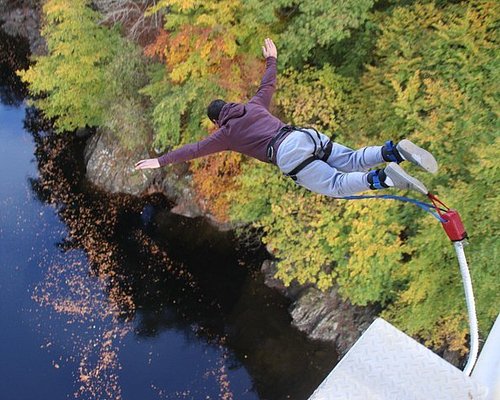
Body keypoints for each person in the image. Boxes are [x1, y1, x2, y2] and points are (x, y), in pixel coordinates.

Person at [135, 38, 438, 197]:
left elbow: (195, 150)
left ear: (217, 122)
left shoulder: (225, 134)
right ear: (229, 103)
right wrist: (272, 57)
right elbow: (268, 83)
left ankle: (383, 177)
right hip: (304, 135)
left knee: (336, 184)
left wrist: (158, 161)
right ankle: (393, 151)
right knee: (352, 158)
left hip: (288, 155)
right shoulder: (253, 105)